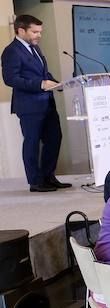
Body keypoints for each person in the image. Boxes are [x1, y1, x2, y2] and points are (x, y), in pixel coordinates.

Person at [3, 14, 66, 193]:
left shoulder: (35, 48)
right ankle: (35, 182)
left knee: (54, 138)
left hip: (46, 102)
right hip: (29, 105)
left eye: (40, 31)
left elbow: (43, 74)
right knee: (31, 143)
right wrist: (39, 85)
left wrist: (58, 83)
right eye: (35, 31)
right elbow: (11, 79)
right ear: (21, 30)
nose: (39, 35)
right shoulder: (12, 51)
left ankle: (48, 176)